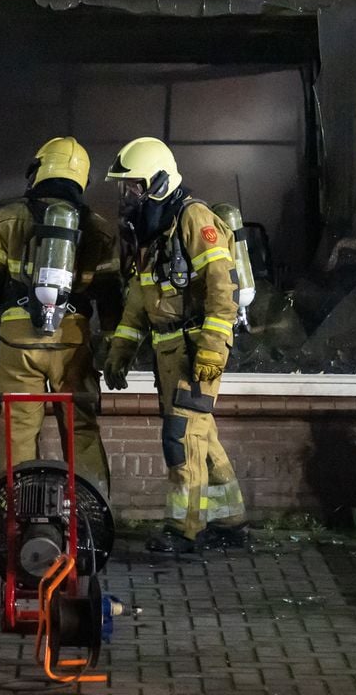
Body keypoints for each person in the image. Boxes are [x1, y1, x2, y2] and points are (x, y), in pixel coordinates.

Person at [0, 137, 122, 496]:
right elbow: (108, 295)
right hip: (72, 341)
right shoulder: (100, 228)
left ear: (38, 171)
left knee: (19, 429)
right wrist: (112, 343)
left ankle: (13, 511)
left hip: (18, 341)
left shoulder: (6, 217)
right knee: (81, 428)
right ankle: (92, 509)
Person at [101, 136, 248, 553]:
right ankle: (231, 520)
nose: (128, 196)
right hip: (168, 352)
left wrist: (212, 349)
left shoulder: (192, 218)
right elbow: (138, 299)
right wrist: (121, 350)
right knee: (202, 437)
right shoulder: (152, 232)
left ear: (159, 183)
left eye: (134, 186)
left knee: (180, 437)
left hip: (195, 349)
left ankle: (184, 529)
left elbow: (223, 287)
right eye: (125, 188)